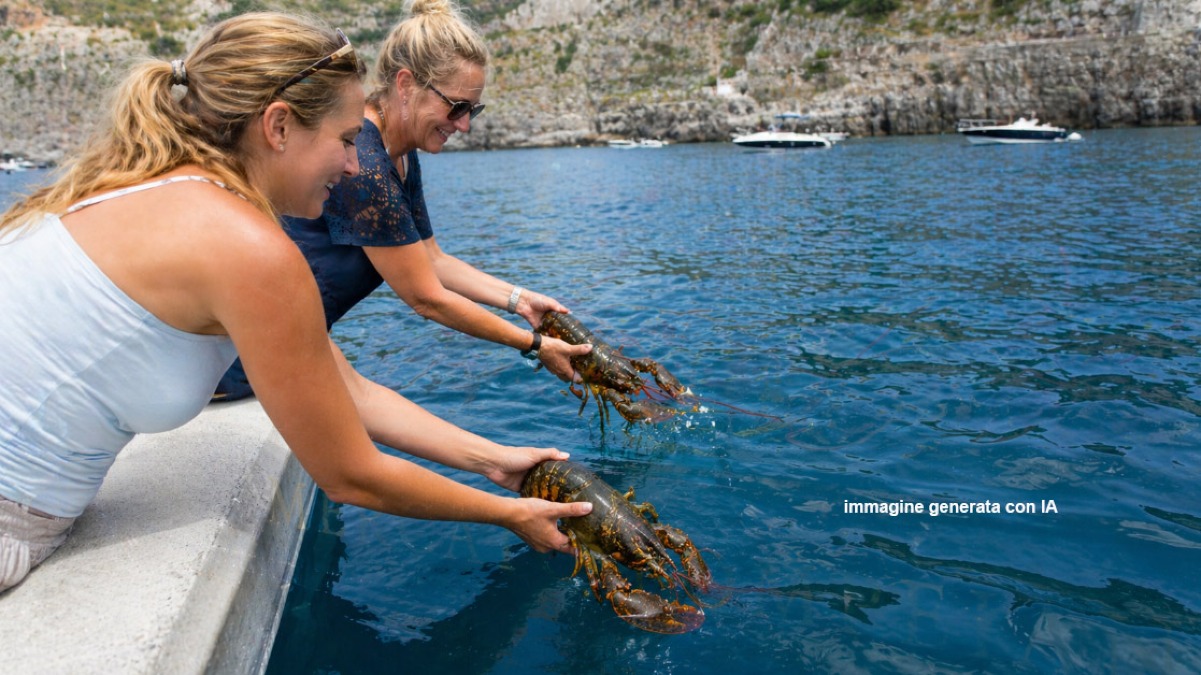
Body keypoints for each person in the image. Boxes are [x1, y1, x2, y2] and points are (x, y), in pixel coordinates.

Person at [0, 12, 590, 594]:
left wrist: (496, 462)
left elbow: (351, 391)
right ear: (278, 126)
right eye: (345, 139)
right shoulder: (247, 247)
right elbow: (351, 475)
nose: (357, 165)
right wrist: (509, 514)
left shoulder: (144, 183)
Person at [213, 0, 592, 402]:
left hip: (279, 350)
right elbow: (426, 297)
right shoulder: (366, 163)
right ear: (407, 86)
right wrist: (534, 345)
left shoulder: (401, 154)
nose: (464, 124)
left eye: (473, 110)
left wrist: (519, 300)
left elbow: (432, 258)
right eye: (457, 107)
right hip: (241, 359)